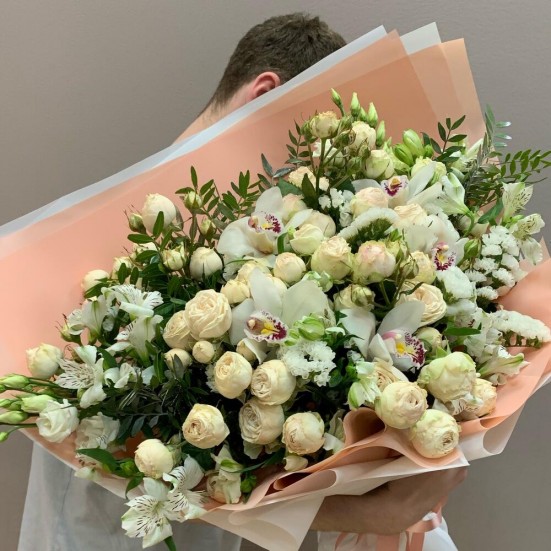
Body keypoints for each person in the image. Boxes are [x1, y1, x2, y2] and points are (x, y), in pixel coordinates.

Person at [18, 13, 464, 551]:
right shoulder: (114, 253)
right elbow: (137, 467)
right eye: (316, 138)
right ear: (266, 95)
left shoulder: (231, 245)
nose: (317, 167)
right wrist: (361, 511)